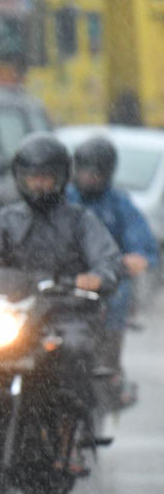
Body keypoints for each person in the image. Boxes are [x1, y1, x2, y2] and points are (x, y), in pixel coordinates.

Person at [0, 133, 121, 410]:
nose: (38, 184)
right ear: (19, 177)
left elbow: (108, 259)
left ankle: (66, 435)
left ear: (62, 177)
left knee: (74, 348)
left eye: (46, 177)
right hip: (15, 314)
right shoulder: (6, 220)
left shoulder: (82, 221)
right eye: (32, 177)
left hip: (63, 312)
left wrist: (99, 277)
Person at [67, 134, 158, 397]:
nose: (88, 177)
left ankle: (109, 367)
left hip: (106, 277)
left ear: (107, 173)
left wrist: (138, 258)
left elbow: (142, 242)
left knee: (118, 297)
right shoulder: (63, 199)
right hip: (65, 275)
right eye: (83, 171)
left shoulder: (119, 204)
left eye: (94, 172)